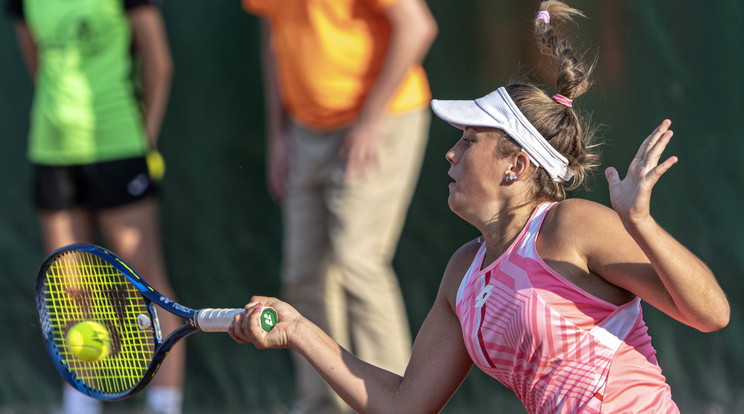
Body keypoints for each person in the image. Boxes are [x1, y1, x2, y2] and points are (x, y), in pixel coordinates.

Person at [229, 1, 730, 412]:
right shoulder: (463, 273)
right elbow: (405, 404)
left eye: (469, 141)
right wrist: (298, 330)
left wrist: (640, 223)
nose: (451, 152)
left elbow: (711, 315)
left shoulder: (571, 226)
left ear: (516, 165)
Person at [241, 0, 437, 412]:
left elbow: (417, 27)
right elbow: (275, 40)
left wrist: (368, 121)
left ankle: (398, 404)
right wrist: (278, 134)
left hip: (380, 118)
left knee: (356, 261)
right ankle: (322, 404)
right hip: (304, 129)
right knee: (302, 273)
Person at [5, 0, 185, 413]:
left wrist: (145, 139)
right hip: (52, 150)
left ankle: (165, 404)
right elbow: (36, 60)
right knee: (69, 287)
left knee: (147, 286)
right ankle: (82, 402)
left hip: (117, 145)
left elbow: (159, 63)